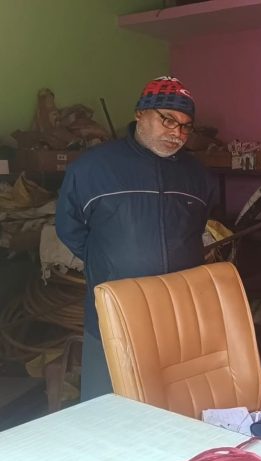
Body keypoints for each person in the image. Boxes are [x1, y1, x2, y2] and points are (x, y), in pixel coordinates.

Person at [56, 76, 216, 401]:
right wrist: (109, 261)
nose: (177, 133)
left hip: (176, 314)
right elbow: (69, 227)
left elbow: (195, 228)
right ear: (140, 114)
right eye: (167, 120)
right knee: (107, 405)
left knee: (172, 402)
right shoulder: (93, 168)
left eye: (186, 126)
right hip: (115, 312)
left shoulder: (197, 175)